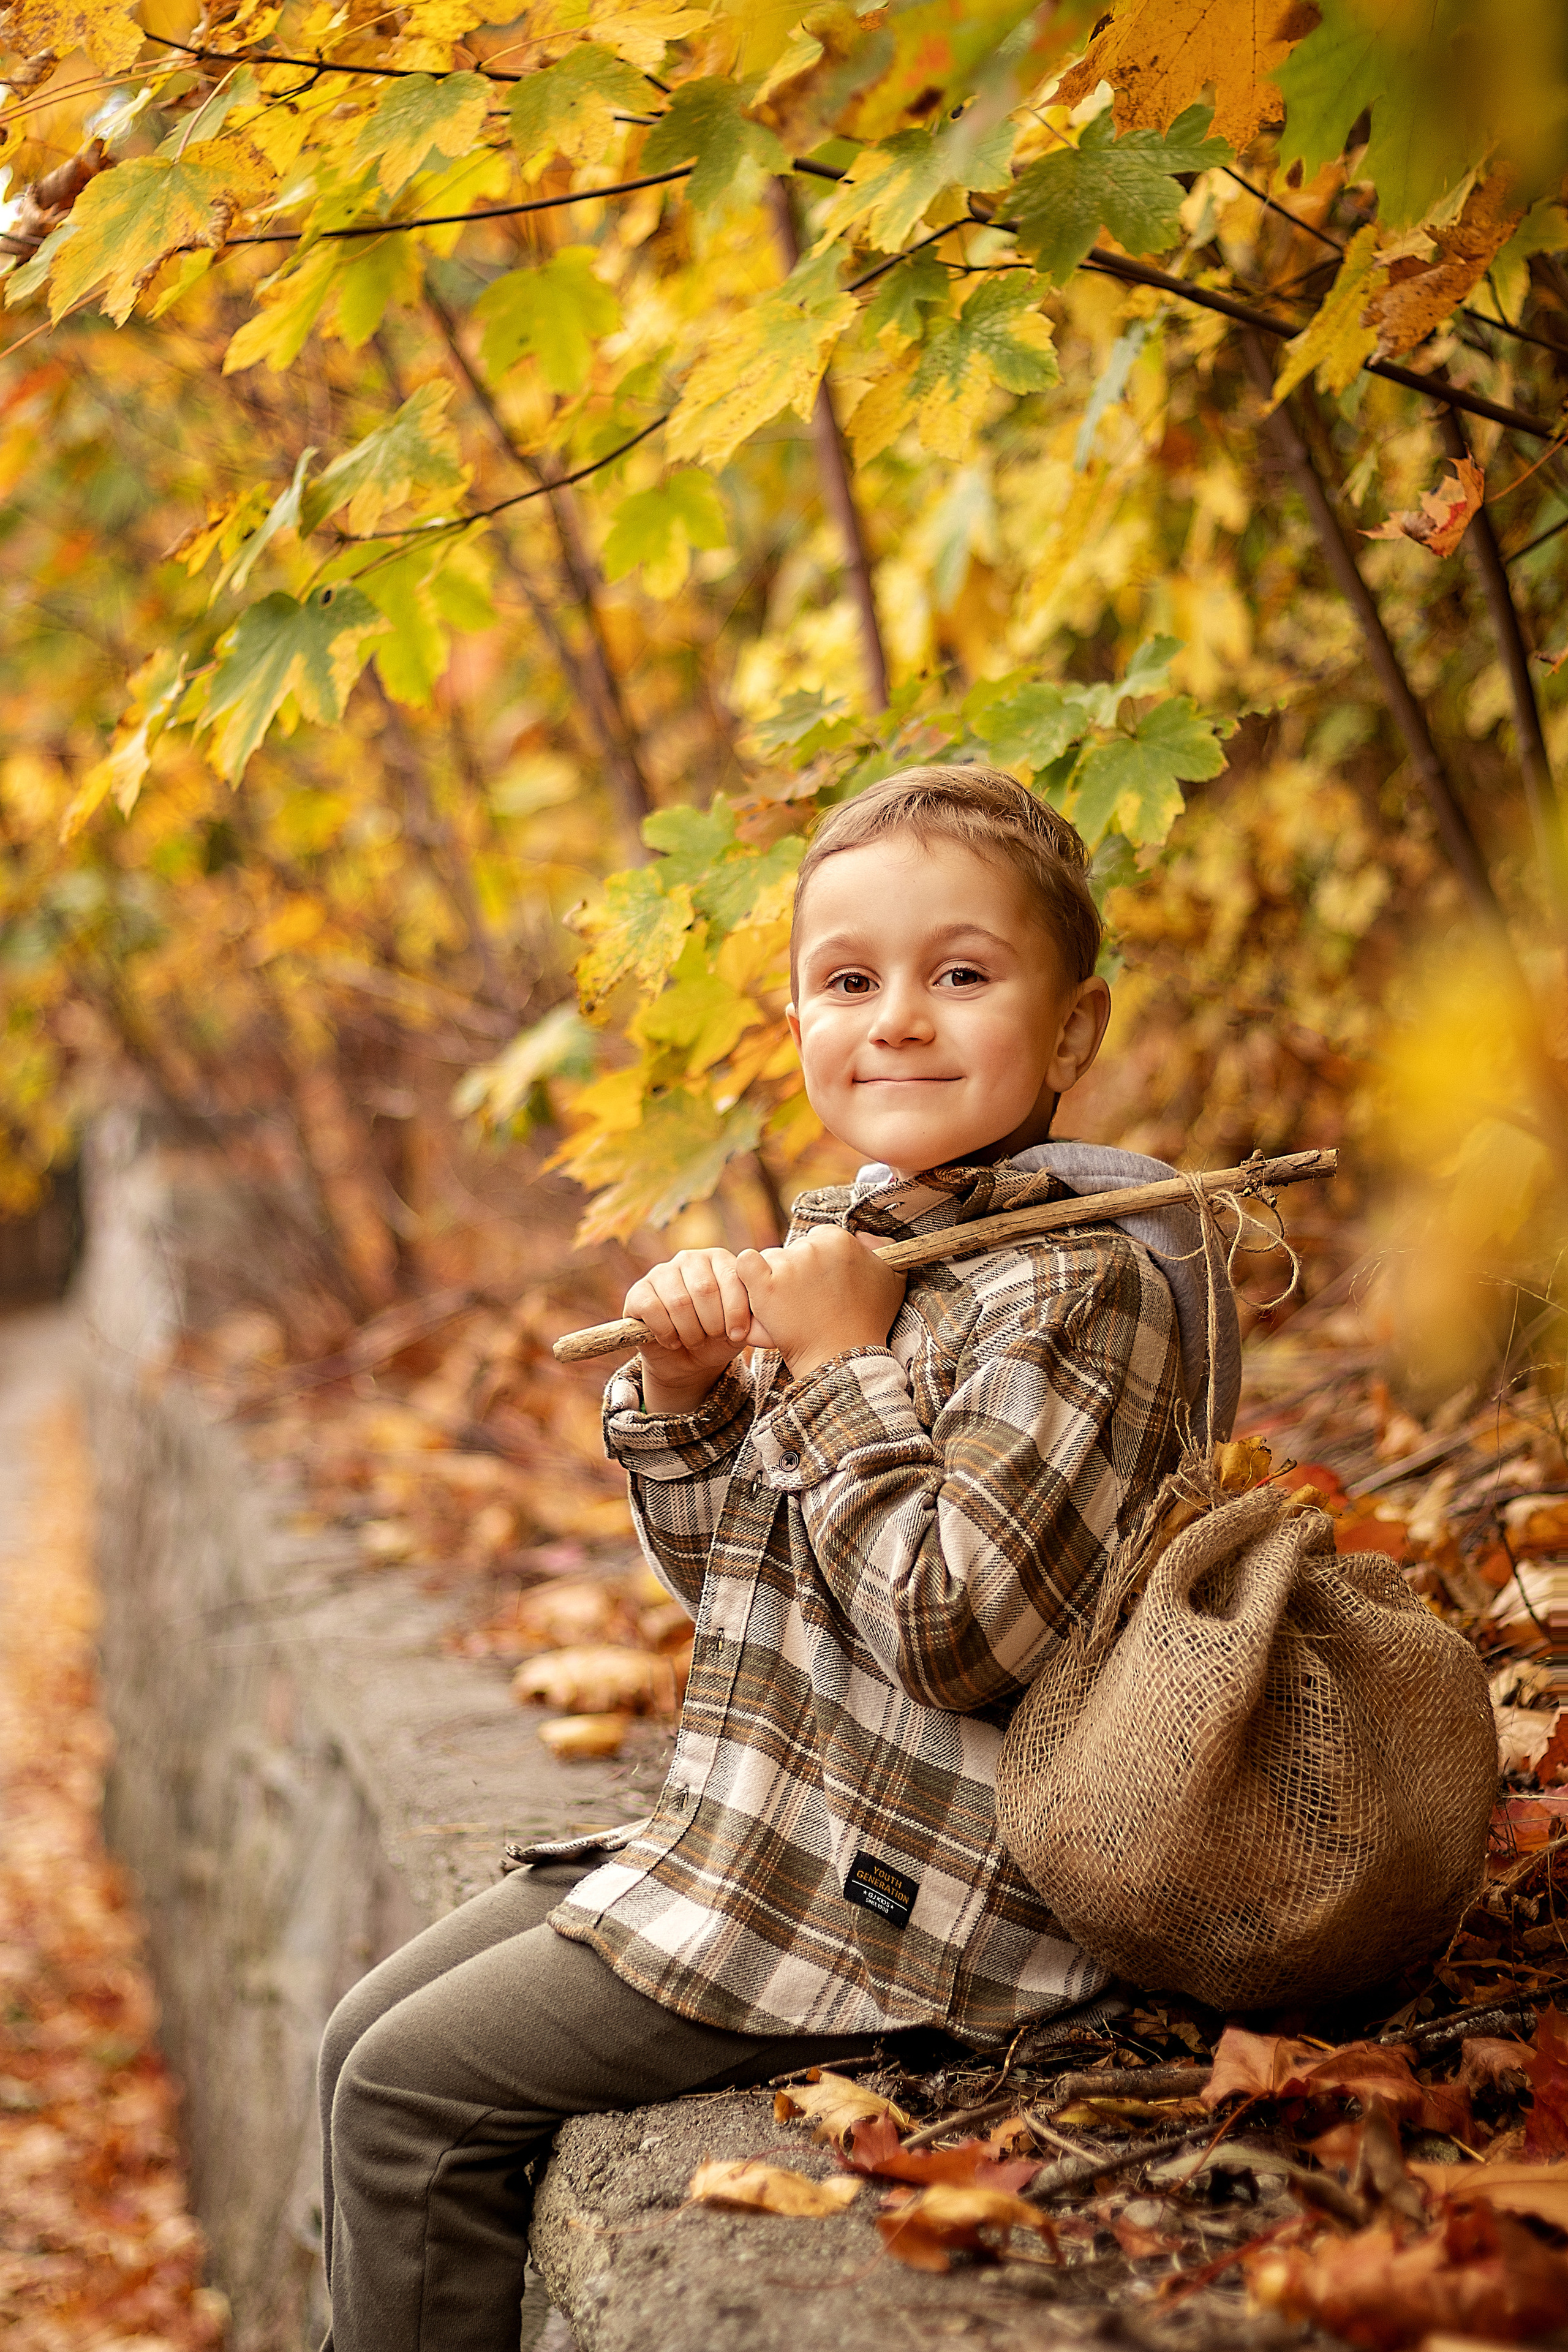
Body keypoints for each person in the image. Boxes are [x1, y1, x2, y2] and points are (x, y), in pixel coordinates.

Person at [315, 764, 1238, 2352]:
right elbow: (750, 1590)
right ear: (798, 1018)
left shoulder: (1084, 1288)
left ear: (1074, 1032)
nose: (898, 1019)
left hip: (918, 1896)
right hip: (768, 1825)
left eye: (962, 975)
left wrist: (835, 1370)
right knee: (354, 2036)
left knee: (408, 2102)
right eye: (849, 980)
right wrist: (685, 1398)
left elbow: (955, 1630)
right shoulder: (876, 1255)